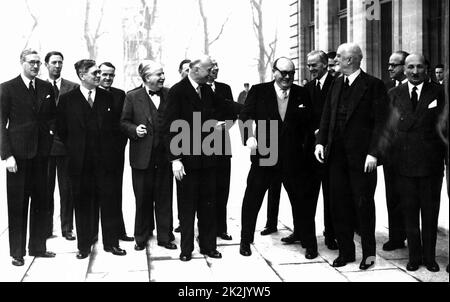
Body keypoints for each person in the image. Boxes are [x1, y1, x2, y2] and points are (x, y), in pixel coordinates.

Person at [315, 43, 389, 270]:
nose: (334, 59)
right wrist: (320, 143)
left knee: (363, 206)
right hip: (336, 157)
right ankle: (346, 252)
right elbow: (326, 117)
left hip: (363, 159)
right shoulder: (336, 83)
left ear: (350, 60)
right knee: (339, 205)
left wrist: (374, 153)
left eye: (338, 56)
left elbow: (382, 124)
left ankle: (369, 256)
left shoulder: (374, 85)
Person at [238, 57, 316, 259]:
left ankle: (310, 244)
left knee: (302, 202)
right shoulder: (258, 91)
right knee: (252, 199)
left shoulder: (302, 93)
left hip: (293, 159)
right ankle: (245, 241)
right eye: (283, 73)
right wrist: (249, 137)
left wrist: (306, 151)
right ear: (274, 72)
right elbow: (244, 117)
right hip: (266, 154)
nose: (287, 77)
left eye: (291, 73)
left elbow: (309, 126)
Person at [163, 55, 235, 261]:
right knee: (187, 207)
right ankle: (186, 249)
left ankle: (208, 246)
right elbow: (168, 126)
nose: (212, 71)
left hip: (208, 159)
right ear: (194, 70)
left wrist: (254, 109)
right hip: (187, 161)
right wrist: (175, 159)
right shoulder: (177, 91)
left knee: (208, 205)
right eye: (208, 69)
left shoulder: (206, 90)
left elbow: (227, 105)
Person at [57, 59, 126, 259]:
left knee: (110, 202)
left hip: (105, 162)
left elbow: (115, 128)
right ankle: (84, 246)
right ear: (82, 75)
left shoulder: (107, 97)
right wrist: (75, 148)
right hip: (80, 163)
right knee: (82, 204)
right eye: (95, 73)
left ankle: (111, 244)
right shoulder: (67, 99)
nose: (99, 76)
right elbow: (62, 129)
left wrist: (111, 153)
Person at [387, 54, 446, 272]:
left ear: (427, 69)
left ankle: (429, 258)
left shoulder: (439, 93)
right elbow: (387, 129)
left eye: (420, 67)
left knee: (430, 214)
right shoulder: (394, 94)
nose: (415, 71)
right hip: (404, 165)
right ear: (405, 69)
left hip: (431, 165)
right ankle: (414, 256)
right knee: (410, 213)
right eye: (410, 67)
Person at [0, 49, 57, 266]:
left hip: (42, 155)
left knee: (41, 203)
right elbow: (1, 124)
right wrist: (7, 155)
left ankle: (38, 247)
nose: (35, 66)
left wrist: (49, 138)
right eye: (31, 62)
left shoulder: (45, 87)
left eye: (38, 63)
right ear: (21, 62)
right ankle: (17, 252)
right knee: (18, 205)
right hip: (18, 157)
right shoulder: (7, 88)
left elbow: (52, 117)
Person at [120, 60, 176, 251]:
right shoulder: (132, 97)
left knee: (164, 197)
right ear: (146, 78)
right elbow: (123, 122)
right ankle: (141, 237)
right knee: (142, 198)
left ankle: (165, 236)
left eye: (163, 73)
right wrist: (135, 130)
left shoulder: (170, 94)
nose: (163, 77)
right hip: (142, 157)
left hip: (165, 157)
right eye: (158, 74)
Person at [302, 50, 338, 250]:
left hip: (331, 150)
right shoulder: (307, 87)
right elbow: (305, 116)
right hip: (311, 151)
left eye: (314, 65)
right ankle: (307, 239)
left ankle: (331, 235)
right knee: (309, 195)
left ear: (325, 64)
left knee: (331, 195)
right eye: (308, 65)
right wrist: (314, 132)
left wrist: (323, 135)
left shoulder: (337, 84)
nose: (310, 69)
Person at [44, 51, 78, 241]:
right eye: (54, 62)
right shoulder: (39, 87)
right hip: (46, 147)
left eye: (60, 63)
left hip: (67, 146)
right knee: (45, 188)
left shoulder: (72, 87)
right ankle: (46, 228)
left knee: (67, 189)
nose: (57, 66)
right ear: (46, 64)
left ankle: (67, 228)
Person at [98, 62, 134, 243]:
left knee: (115, 192)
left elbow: (124, 121)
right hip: (95, 153)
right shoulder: (91, 94)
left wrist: (120, 145)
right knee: (97, 194)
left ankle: (118, 231)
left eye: (111, 75)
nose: (107, 78)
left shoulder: (120, 94)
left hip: (115, 152)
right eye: (104, 74)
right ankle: (94, 235)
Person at [207, 59, 241, 241]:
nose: (216, 71)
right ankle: (205, 227)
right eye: (212, 69)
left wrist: (225, 126)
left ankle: (221, 228)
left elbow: (232, 113)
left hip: (222, 143)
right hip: (202, 145)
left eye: (217, 69)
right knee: (206, 188)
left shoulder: (224, 88)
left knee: (222, 187)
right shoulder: (198, 89)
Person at [381, 50, 409, 252]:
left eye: (395, 64)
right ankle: (396, 237)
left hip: (413, 154)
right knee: (393, 196)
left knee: (412, 197)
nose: (390, 68)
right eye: (389, 64)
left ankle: (413, 235)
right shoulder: (387, 88)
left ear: (405, 67)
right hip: (392, 154)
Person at [173, 59, 192, 234]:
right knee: (182, 190)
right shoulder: (176, 91)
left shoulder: (202, 90)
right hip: (180, 148)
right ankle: (182, 222)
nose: (188, 72)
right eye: (185, 69)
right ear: (180, 71)